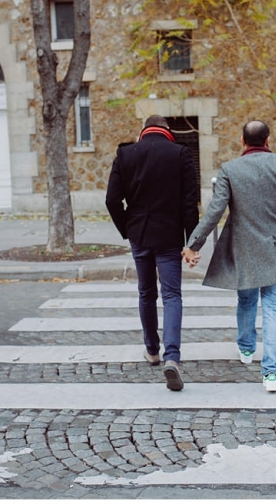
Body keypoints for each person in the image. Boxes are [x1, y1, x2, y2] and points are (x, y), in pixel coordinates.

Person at [181, 120, 276, 393]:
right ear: (268, 141)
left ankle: (246, 347)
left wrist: (194, 244)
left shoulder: (230, 169)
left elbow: (215, 211)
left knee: (245, 298)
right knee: (273, 306)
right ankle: (271, 374)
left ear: (242, 142)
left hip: (242, 246)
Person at [105, 115, 199, 391]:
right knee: (172, 295)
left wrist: (128, 228)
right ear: (167, 130)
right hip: (170, 235)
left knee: (146, 292)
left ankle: (152, 350)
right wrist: (192, 243)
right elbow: (189, 203)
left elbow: (112, 200)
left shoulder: (125, 154)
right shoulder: (181, 153)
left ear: (143, 131)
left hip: (140, 234)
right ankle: (173, 357)